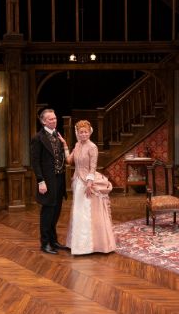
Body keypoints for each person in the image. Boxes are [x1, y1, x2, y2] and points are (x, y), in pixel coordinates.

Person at [65, 120, 117, 255]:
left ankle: (90, 245)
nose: (83, 134)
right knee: (78, 212)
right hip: (77, 182)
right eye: (81, 132)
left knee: (87, 212)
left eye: (85, 132)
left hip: (87, 182)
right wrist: (65, 146)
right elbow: (69, 161)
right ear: (77, 133)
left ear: (90, 132)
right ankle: (78, 245)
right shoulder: (77, 145)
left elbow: (93, 167)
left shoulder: (92, 147)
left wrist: (89, 183)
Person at [30, 107, 70, 254]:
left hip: (59, 180)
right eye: (50, 119)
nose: (54, 121)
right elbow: (35, 162)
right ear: (43, 121)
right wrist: (40, 181)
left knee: (56, 211)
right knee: (47, 213)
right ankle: (45, 243)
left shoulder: (58, 136)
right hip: (47, 181)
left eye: (55, 118)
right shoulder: (38, 138)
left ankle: (53, 240)